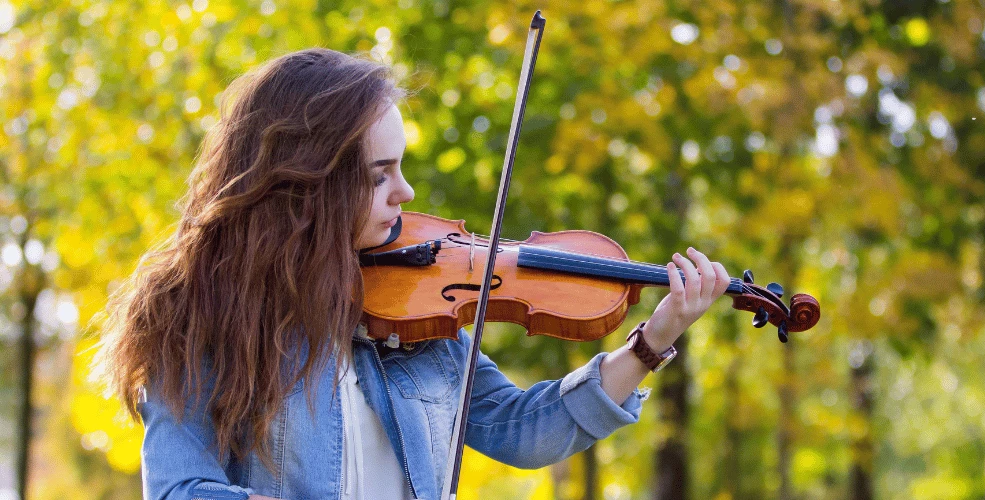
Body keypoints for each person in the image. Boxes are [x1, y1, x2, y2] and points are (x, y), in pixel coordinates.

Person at [93, 47, 731, 500]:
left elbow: (523, 431)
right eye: (378, 175)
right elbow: (179, 486)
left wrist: (651, 341)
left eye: (400, 167)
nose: (406, 191)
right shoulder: (203, 318)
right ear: (307, 182)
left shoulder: (419, 312)